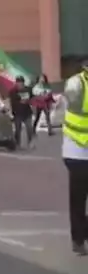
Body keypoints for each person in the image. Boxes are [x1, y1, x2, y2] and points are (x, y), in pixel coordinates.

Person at [62, 59, 88, 255]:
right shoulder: (76, 85)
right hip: (76, 150)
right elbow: (74, 105)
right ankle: (78, 239)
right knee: (78, 198)